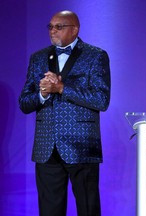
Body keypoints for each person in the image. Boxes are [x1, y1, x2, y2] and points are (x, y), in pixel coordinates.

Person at [19, 10, 111, 216]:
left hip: (81, 147)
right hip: (46, 149)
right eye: (50, 26)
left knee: (88, 209)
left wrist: (62, 88)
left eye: (59, 27)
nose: (53, 31)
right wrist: (42, 94)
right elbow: (24, 103)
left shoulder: (95, 56)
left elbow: (101, 100)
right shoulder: (38, 58)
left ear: (75, 29)